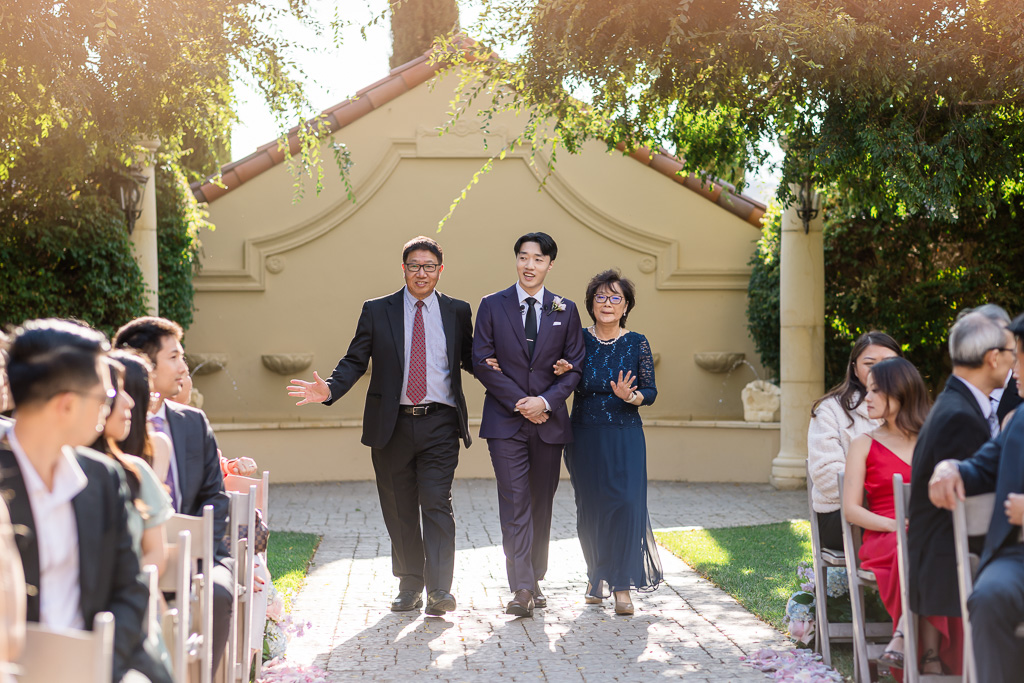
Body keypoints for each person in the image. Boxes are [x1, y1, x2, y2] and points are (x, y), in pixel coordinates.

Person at [287, 236, 474, 616]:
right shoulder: (377, 310)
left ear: (441, 269)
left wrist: (514, 375)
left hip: (440, 421)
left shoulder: (457, 311)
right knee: (400, 507)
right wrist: (329, 390)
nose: (421, 273)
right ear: (402, 268)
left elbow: (472, 358)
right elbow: (355, 360)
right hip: (393, 425)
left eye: (429, 266)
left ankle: (440, 589)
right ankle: (410, 585)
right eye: (414, 265)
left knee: (436, 501)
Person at [0, 319, 160, 682]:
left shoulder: (102, 478)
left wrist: (96, 664)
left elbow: (131, 592)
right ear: (67, 405)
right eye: (106, 397)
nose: (114, 405)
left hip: (105, 666)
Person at [472, 232, 586, 617]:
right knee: (515, 501)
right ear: (516, 260)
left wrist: (546, 402)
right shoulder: (491, 305)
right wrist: (523, 404)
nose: (529, 265)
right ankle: (521, 588)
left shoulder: (565, 309)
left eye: (538, 259)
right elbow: (481, 361)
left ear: (550, 264)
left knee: (541, 504)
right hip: (505, 424)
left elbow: (575, 367)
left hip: (549, 424)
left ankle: (535, 577)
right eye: (523, 257)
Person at [113, 316, 233, 675]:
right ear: (145, 364)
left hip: (197, 554)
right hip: (137, 556)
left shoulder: (192, 422)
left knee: (219, 592)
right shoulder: (111, 428)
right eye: (175, 357)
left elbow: (215, 496)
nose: (184, 366)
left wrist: (199, 552)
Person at [908, 311, 1015, 652]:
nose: (1016, 363)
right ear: (993, 359)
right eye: (1013, 353)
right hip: (952, 561)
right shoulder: (960, 416)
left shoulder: (956, 403)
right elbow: (986, 503)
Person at [928, 311, 1024, 683]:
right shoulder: (1017, 422)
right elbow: (981, 465)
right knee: (987, 596)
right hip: (1015, 559)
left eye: (1021, 358)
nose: (1014, 370)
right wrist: (949, 467)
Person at [562, 270, 663, 615]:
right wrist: (559, 369)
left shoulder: (637, 342)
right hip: (585, 435)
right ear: (590, 304)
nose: (607, 303)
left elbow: (650, 391)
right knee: (590, 508)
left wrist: (631, 395)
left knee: (626, 505)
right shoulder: (576, 339)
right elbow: (561, 374)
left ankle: (622, 585)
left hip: (625, 435)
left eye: (615, 297)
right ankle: (596, 576)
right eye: (600, 297)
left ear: (626, 306)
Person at [840, 356, 948, 676]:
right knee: (913, 548)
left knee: (929, 548)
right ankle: (928, 656)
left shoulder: (935, 439)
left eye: (875, 391)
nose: (866, 398)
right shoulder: (863, 443)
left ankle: (904, 637)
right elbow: (850, 509)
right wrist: (894, 524)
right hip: (885, 535)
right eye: (866, 390)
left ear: (899, 392)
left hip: (930, 533)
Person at [807, 331, 901, 550]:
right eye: (869, 363)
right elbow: (827, 477)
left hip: (898, 507)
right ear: (855, 368)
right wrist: (884, 489)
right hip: (840, 515)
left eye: (888, 362)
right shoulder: (830, 410)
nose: (879, 370)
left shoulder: (912, 411)